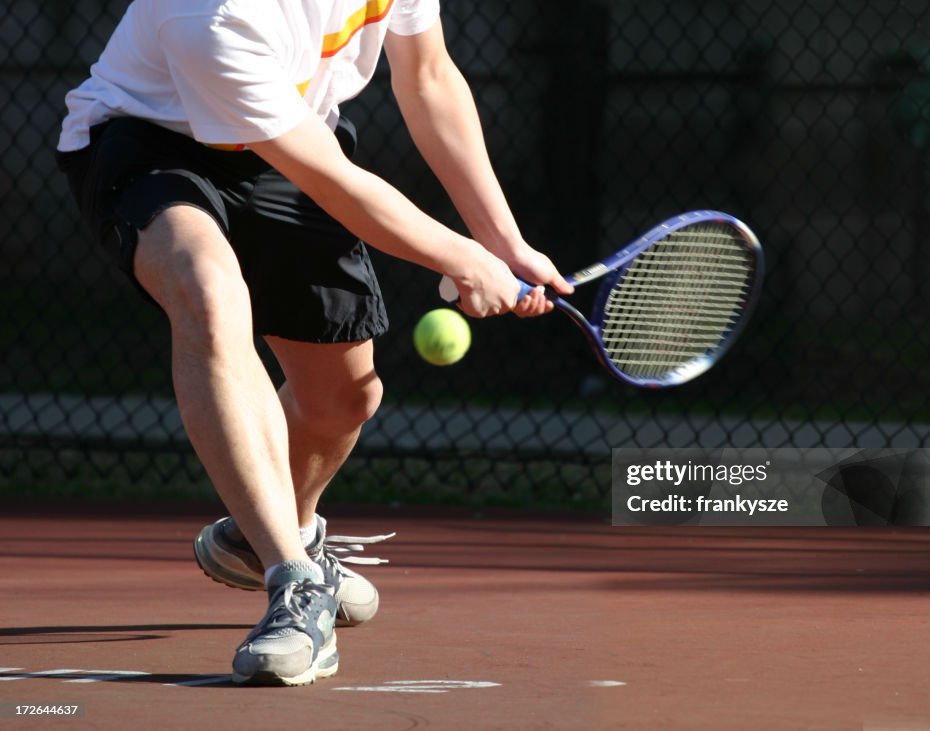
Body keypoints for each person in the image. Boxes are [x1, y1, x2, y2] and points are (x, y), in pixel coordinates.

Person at [55, 0, 572, 687]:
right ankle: (292, 579)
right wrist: (462, 257)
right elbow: (334, 183)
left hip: (293, 137)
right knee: (209, 293)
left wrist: (504, 244)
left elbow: (429, 79)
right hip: (149, 141)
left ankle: (263, 532)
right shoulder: (211, 16)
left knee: (343, 398)